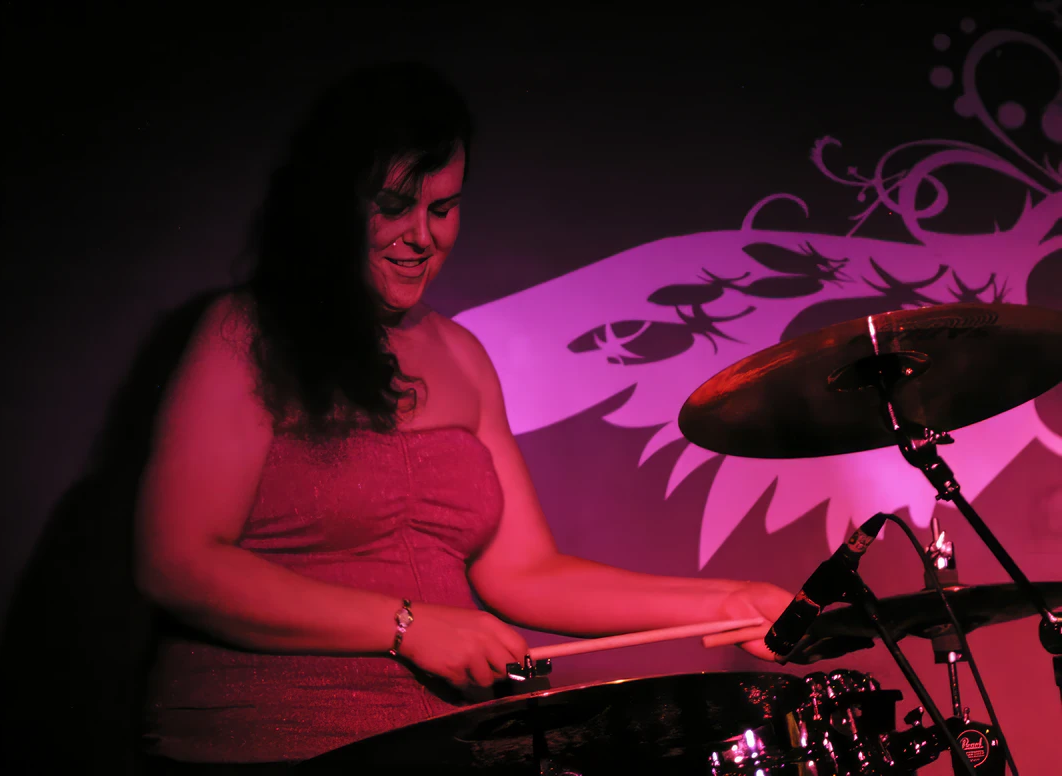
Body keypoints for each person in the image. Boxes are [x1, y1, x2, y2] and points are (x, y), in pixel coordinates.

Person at [132, 61, 794, 769]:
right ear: (333, 204)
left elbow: (526, 572)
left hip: (449, 744)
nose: (422, 235)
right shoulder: (243, 334)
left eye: (442, 209)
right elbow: (178, 563)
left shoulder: (462, 354)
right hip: (275, 741)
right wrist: (404, 627)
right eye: (394, 204)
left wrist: (732, 599)